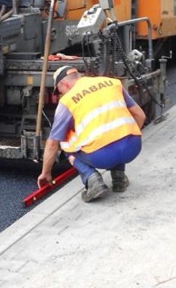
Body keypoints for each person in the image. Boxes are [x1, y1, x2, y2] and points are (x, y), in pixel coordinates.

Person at [37, 66, 146, 202]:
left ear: (64, 84)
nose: (61, 94)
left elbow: (52, 143)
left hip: (102, 157)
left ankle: (92, 179)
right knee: (117, 132)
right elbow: (140, 116)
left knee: (66, 144)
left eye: (59, 91)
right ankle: (119, 178)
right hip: (133, 148)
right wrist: (132, 136)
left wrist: (46, 173)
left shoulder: (67, 101)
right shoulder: (112, 83)